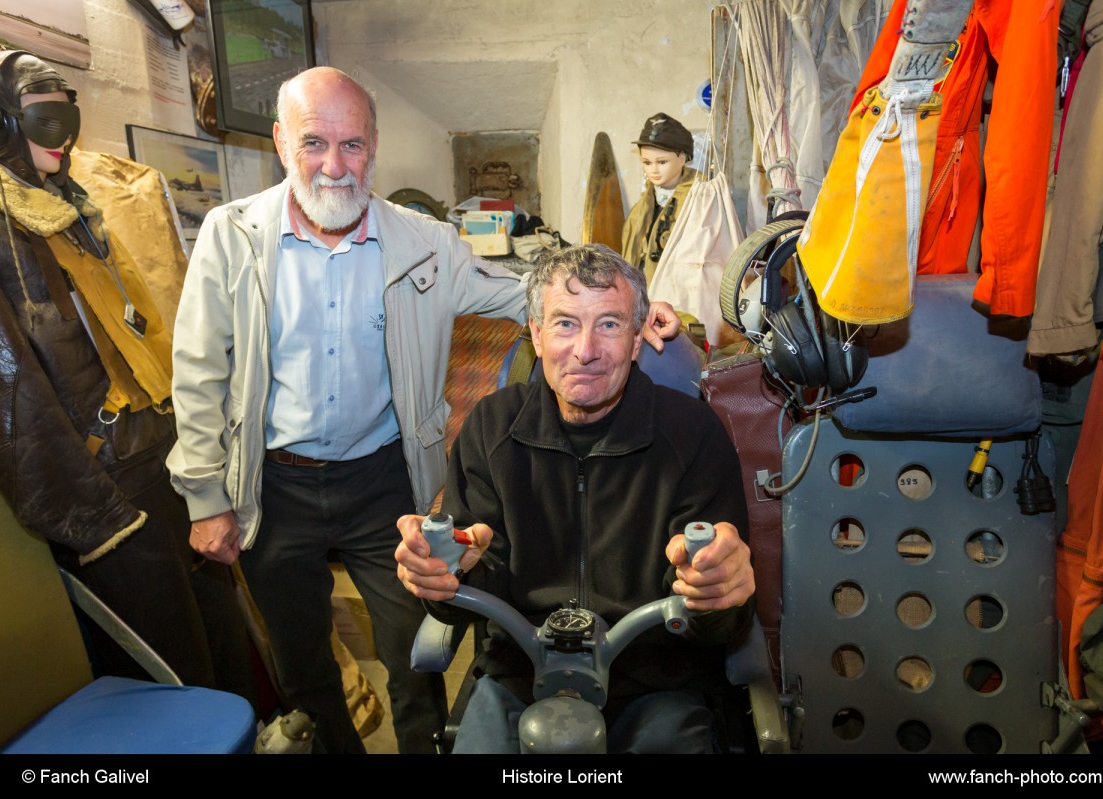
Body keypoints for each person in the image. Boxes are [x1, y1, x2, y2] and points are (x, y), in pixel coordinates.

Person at [167, 66, 681, 754]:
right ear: (283, 143)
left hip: (386, 481)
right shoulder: (232, 237)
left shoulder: (425, 242)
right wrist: (206, 496)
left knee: (415, 651)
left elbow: (526, 290)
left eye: (352, 146)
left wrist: (626, 304)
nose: (334, 164)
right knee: (301, 659)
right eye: (315, 143)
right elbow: (198, 368)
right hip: (272, 483)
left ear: (373, 147)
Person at [0, 49, 255, 702]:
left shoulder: (64, 203)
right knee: (171, 672)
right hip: (109, 486)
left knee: (222, 638)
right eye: (42, 118)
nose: (61, 135)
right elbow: (7, 396)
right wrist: (94, 519)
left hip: (159, 450)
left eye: (66, 115)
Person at [396, 243, 755, 754]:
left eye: (608, 324)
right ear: (537, 336)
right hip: (520, 676)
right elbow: (469, 587)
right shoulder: (491, 428)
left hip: (655, 683)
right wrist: (444, 574)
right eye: (565, 324)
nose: (585, 350)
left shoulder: (694, 434)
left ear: (636, 339)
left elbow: (716, 623)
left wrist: (722, 590)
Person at [621, 112, 697, 285]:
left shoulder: (699, 202)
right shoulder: (640, 209)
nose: (653, 170)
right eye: (647, 162)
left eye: (662, 162)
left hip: (681, 298)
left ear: (682, 158)